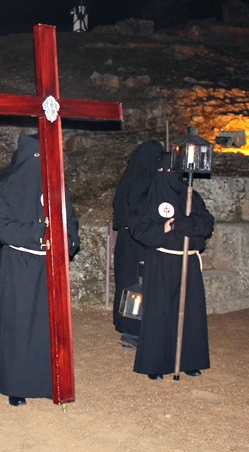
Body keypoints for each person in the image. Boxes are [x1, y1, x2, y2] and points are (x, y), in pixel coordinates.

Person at [0, 134, 80, 407]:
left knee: (50, 324)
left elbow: (70, 220)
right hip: (20, 264)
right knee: (20, 323)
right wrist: (38, 233)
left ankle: (50, 379)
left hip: (52, 264)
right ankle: (17, 384)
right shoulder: (6, 185)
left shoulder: (58, 186)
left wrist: (69, 239)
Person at [128, 152, 214, 380]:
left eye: (170, 172)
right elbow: (138, 229)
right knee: (160, 312)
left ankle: (190, 359)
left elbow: (207, 223)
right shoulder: (147, 198)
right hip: (162, 261)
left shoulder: (191, 196)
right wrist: (167, 226)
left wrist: (191, 223)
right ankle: (156, 363)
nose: (165, 176)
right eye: (161, 171)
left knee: (190, 312)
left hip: (188, 260)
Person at [111, 140, 164, 349]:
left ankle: (129, 328)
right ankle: (133, 332)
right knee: (138, 284)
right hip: (139, 239)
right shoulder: (145, 182)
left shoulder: (128, 178)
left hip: (126, 239)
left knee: (127, 283)